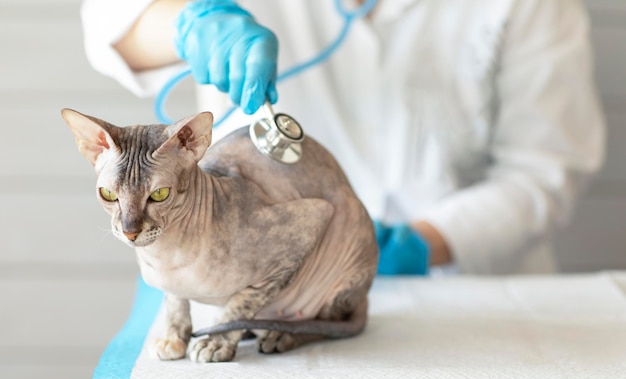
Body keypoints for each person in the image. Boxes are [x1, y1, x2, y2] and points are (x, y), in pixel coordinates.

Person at [80, 0, 605, 276]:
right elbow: (108, 20)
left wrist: (421, 246)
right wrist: (194, 22)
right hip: (254, 272)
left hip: (465, 282)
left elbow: (546, 168)